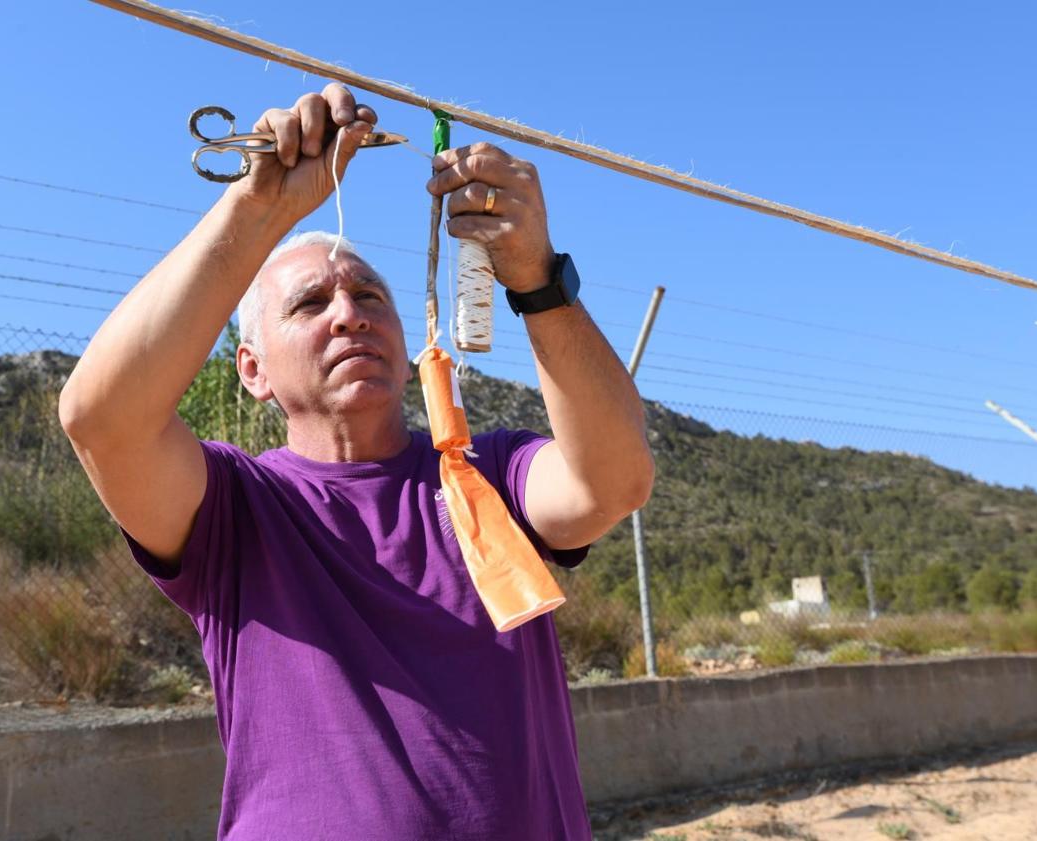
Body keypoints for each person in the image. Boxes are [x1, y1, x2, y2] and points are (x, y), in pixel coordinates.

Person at [59, 83, 654, 840]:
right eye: (309, 305)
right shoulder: (235, 510)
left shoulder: (489, 473)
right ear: (252, 370)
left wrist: (537, 279)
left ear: (408, 345)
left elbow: (616, 477)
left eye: (371, 295)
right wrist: (260, 207)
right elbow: (100, 421)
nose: (350, 311)